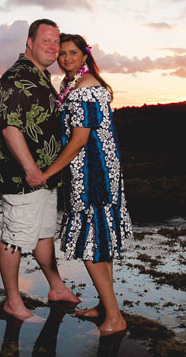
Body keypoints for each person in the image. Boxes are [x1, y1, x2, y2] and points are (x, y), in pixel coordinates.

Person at [40, 33, 133, 334]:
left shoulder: (87, 89)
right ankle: (106, 307)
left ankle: (115, 319)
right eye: (62, 53)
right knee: (100, 242)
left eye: (73, 53)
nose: (66, 58)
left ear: (84, 56)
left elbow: (80, 139)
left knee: (92, 244)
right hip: (92, 169)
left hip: (94, 172)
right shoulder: (72, 85)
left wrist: (48, 172)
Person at [0, 19, 80, 319]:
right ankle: (13, 301)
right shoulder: (16, 78)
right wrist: (31, 170)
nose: (53, 47)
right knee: (14, 238)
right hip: (23, 178)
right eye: (46, 40)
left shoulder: (43, 77)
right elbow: (11, 129)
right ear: (29, 42)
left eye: (56, 42)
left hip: (46, 175)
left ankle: (56, 287)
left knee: (43, 235)